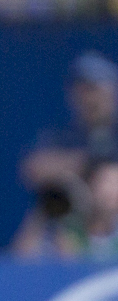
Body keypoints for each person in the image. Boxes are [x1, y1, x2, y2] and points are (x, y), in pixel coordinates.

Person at [20, 51, 118, 194]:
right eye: (80, 90)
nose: (87, 98)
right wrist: (87, 162)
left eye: (92, 89)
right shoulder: (63, 136)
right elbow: (33, 169)